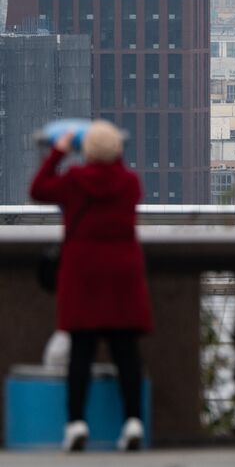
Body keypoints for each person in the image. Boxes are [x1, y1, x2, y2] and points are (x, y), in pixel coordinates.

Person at [31, 121, 152, 453]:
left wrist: (58, 152)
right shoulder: (130, 183)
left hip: (83, 271)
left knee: (80, 352)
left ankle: (75, 423)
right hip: (122, 272)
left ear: (86, 152)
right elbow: (115, 177)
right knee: (125, 350)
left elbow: (38, 189)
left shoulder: (74, 182)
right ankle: (132, 421)